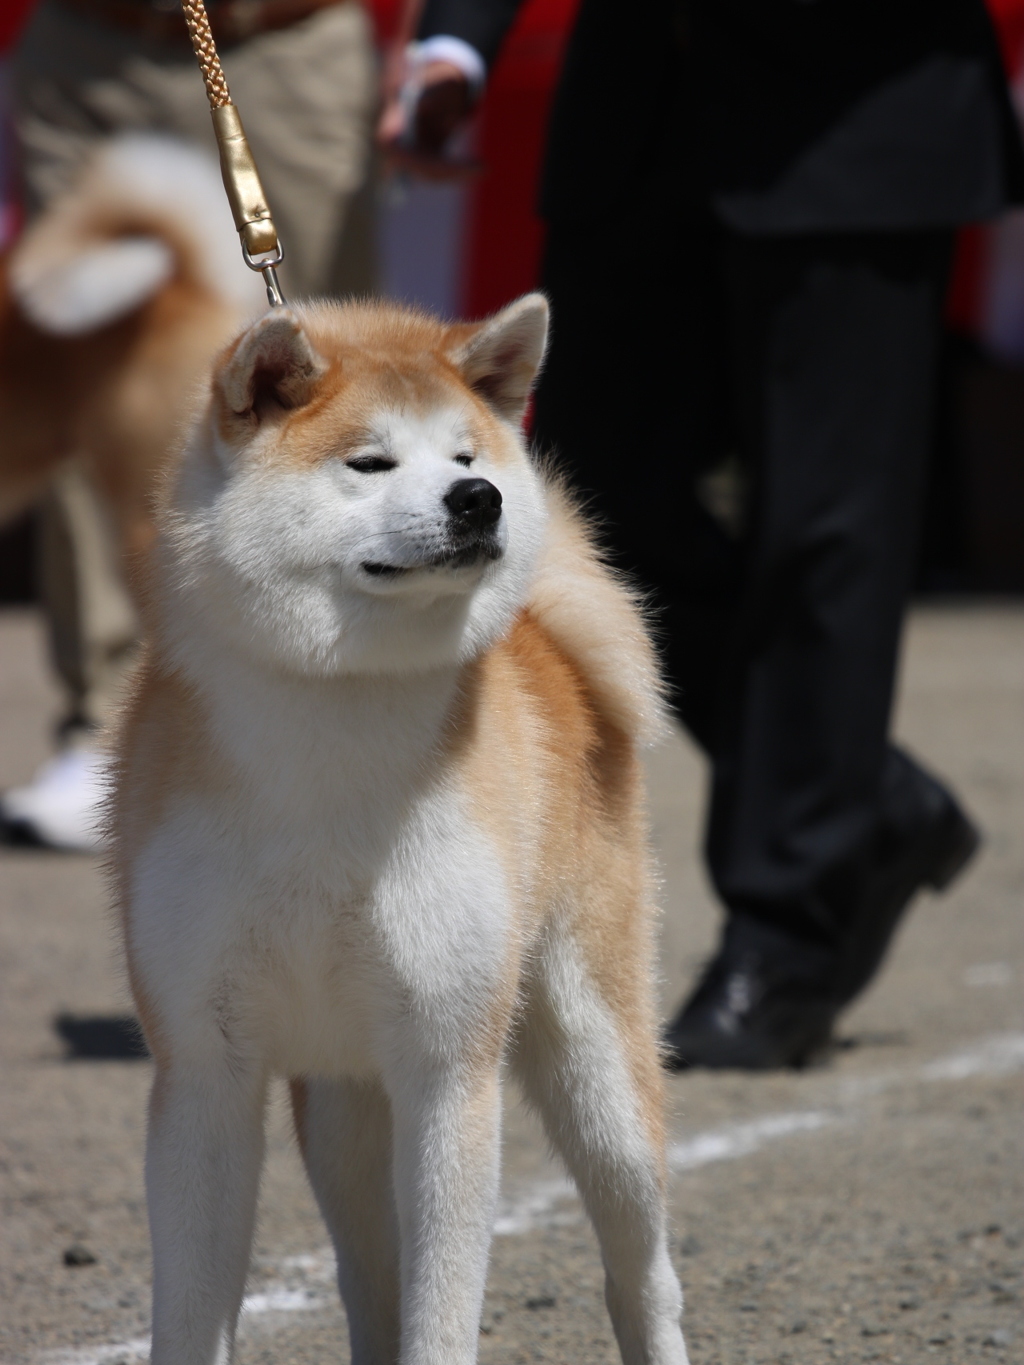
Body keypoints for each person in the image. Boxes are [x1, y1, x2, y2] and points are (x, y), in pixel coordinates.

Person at [382, 0, 1024, 1067]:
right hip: (636, 107)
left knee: (825, 527)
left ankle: (791, 930)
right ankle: (860, 798)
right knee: (582, 517)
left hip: (853, 110)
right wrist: (458, 40)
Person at [0, 0, 378, 849]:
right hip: (88, 43)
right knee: (84, 404)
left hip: (284, 38)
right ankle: (113, 729)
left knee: (321, 408)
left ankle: (339, 731)